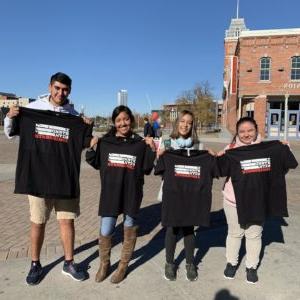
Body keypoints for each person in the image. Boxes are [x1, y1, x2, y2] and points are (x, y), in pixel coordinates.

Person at [4, 72, 98, 285]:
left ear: (70, 91)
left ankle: (69, 262)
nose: (60, 92)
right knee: (38, 222)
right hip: (38, 178)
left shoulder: (74, 116)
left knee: (67, 221)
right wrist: (10, 116)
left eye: (64, 89)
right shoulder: (34, 110)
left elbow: (86, 142)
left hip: (65, 179)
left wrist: (87, 127)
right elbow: (11, 133)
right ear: (49, 87)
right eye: (57, 88)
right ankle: (35, 264)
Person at [217, 117, 298, 284]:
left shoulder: (269, 149)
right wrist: (217, 157)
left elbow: (286, 166)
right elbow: (218, 169)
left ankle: (251, 267)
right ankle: (231, 262)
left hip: (258, 201)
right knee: (235, 233)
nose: (246, 134)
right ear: (237, 133)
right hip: (233, 201)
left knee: (254, 234)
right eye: (242, 131)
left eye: (250, 130)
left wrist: (284, 151)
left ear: (256, 130)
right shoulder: (231, 149)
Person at [85, 105, 156, 284]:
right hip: (110, 193)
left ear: (131, 120)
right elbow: (94, 161)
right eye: (118, 120)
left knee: (129, 228)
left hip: (132, 193)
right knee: (106, 229)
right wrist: (92, 147)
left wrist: (152, 149)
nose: (123, 123)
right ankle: (104, 264)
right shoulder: (106, 142)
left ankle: (123, 266)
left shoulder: (140, 143)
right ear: (114, 123)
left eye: (125, 119)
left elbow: (147, 168)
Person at [156, 110, 213, 281]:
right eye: (182, 121)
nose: (185, 125)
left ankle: (190, 263)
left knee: (189, 229)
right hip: (172, 192)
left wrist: (209, 156)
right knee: (172, 228)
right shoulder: (166, 141)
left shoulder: (198, 145)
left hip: (191, 194)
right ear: (177, 122)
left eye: (189, 122)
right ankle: (169, 262)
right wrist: (159, 156)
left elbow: (204, 167)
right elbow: (158, 168)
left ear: (192, 125)